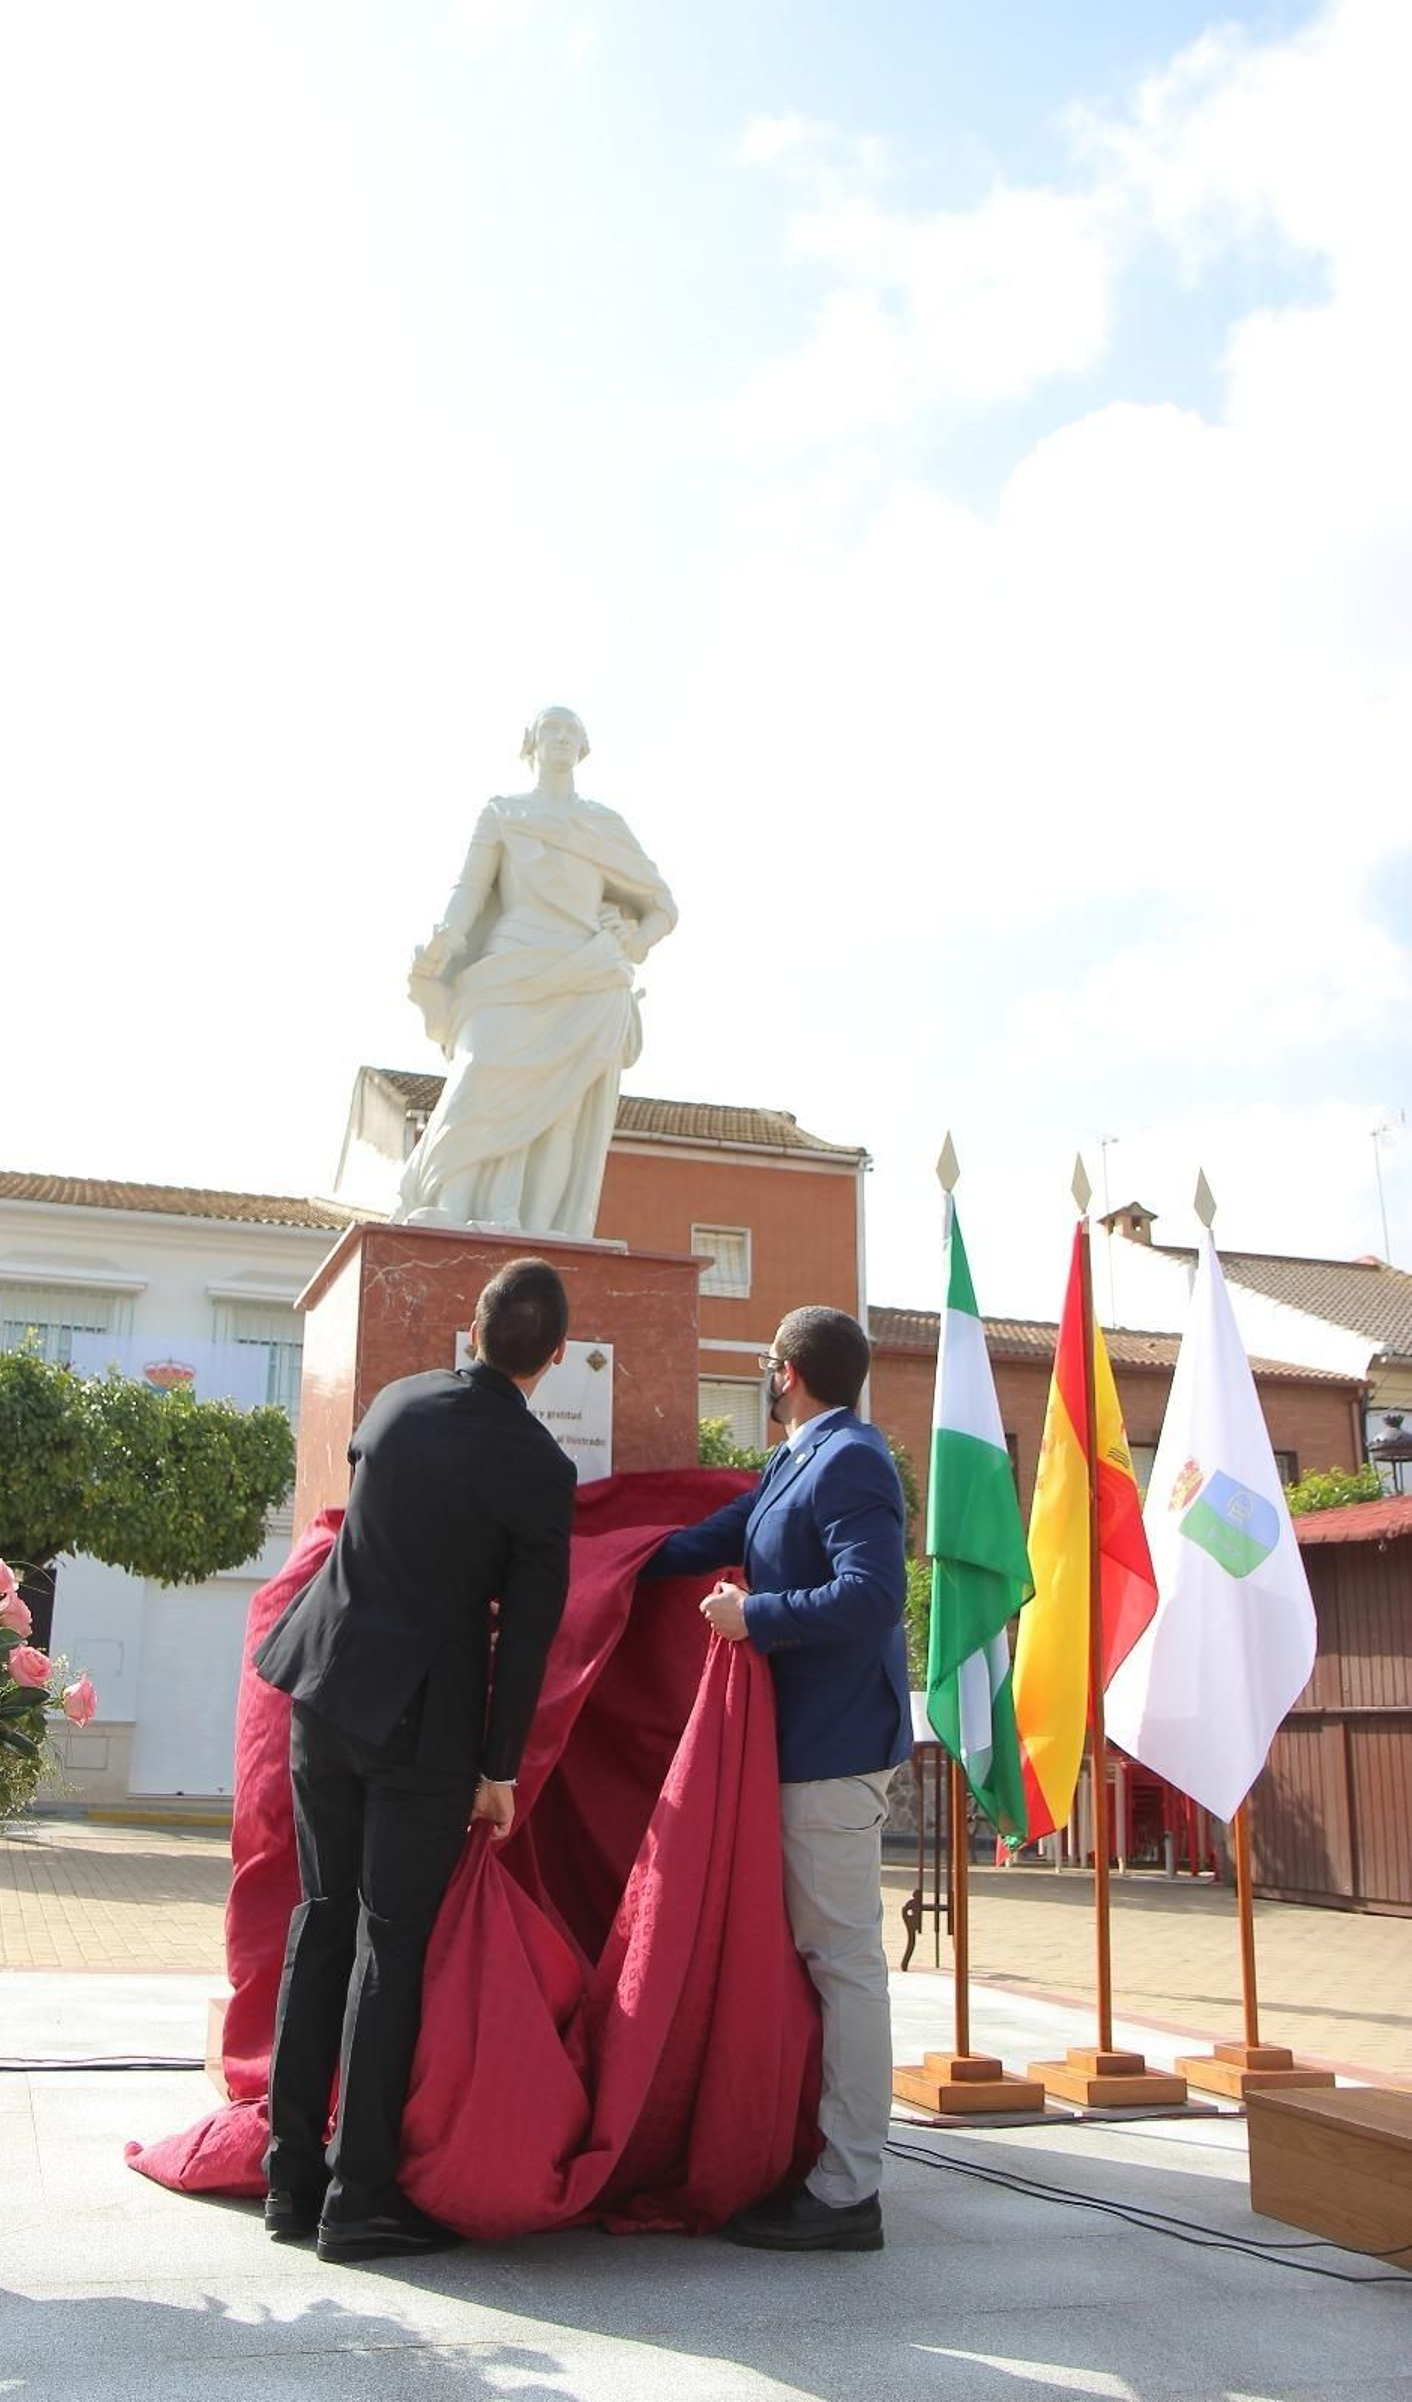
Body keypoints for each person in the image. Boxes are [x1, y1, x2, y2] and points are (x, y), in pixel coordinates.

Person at [255, 1256, 577, 2262]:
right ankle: (359, 2200)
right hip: (421, 1726)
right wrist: (501, 1765)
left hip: (322, 1687)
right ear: (557, 1357)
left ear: (469, 1330)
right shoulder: (541, 1469)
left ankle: (286, 2179)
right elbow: (524, 1635)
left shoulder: (394, 1403)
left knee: (320, 1916)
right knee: (387, 1948)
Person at [644, 1305, 910, 2253]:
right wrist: (609, 1560)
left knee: (844, 1963)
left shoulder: (852, 1459)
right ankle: (828, 2160)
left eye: (766, 1367)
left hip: (834, 1748)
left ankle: (849, 2192)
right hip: (802, 1746)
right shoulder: (800, 1458)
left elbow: (876, 1592)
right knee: (825, 1958)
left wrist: (757, 1616)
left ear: (786, 1371)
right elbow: (716, 1531)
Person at [393, 705, 677, 1239]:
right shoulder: (503, 813)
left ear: (585, 746)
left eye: (573, 731)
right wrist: (448, 936)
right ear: (532, 743)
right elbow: (471, 889)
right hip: (512, 962)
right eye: (553, 728)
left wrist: (636, 940)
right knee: (478, 1075)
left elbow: (663, 903)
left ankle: (546, 1231)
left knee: (559, 1114)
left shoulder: (603, 825)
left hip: (590, 974)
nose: (563, 738)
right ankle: (451, 1206)